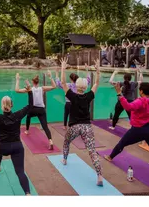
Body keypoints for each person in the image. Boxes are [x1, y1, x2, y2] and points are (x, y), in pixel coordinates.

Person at [103, 81, 149, 178]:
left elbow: (128, 106)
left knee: (122, 143)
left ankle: (110, 157)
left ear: (141, 91)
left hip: (138, 130)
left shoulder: (140, 101)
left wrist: (119, 93)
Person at [59, 57, 103, 186]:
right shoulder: (89, 96)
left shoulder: (72, 96)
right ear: (85, 87)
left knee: (66, 142)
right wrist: (98, 71)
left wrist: (62, 68)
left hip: (74, 127)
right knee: (92, 151)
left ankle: (65, 159)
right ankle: (99, 176)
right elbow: (96, 84)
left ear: (76, 86)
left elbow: (62, 83)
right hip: (87, 127)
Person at [15, 70, 56, 150]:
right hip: (41, 110)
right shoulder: (42, 88)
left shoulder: (30, 89)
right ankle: (50, 141)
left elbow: (17, 90)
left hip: (32, 109)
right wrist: (50, 76)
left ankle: (27, 130)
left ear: (32, 82)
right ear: (38, 82)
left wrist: (17, 80)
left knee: (28, 116)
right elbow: (54, 86)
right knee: (45, 127)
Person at [55, 64, 91, 130]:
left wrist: (57, 73)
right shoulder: (80, 85)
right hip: (77, 102)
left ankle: (65, 126)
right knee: (77, 114)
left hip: (68, 102)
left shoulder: (68, 85)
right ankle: (77, 125)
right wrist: (87, 70)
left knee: (66, 114)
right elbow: (88, 80)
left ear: (70, 79)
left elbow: (59, 84)